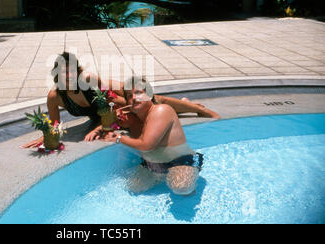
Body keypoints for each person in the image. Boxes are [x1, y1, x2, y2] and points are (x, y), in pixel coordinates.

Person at [20, 52, 219, 149]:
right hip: (100, 109)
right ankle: (184, 103)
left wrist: (99, 127)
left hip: (112, 94)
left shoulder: (88, 80)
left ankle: (198, 109)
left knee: (150, 102)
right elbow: (54, 124)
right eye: (63, 72)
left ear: (77, 70)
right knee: (143, 109)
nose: (68, 75)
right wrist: (44, 137)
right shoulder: (55, 97)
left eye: (71, 70)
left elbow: (110, 107)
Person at [101, 77, 203, 196]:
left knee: (181, 188)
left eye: (138, 93)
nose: (134, 98)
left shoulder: (161, 110)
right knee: (133, 188)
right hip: (152, 166)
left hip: (181, 161)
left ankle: (189, 181)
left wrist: (118, 138)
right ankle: (162, 177)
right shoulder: (133, 118)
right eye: (129, 96)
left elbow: (147, 145)